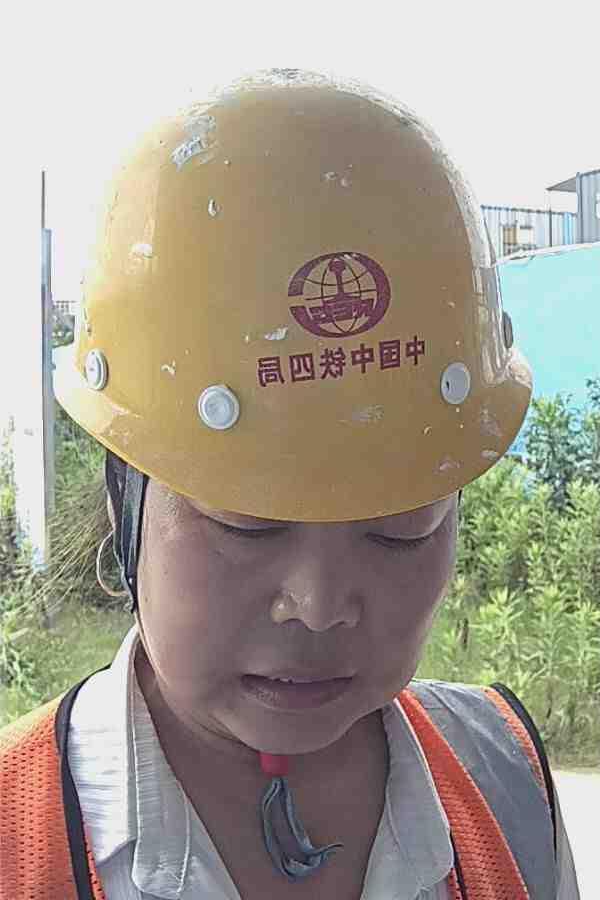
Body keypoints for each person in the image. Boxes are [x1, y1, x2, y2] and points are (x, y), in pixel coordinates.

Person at [0, 70, 580, 899]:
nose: (319, 604)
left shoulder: (509, 787)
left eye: (401, 529)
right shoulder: (16, 832)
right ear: (128, 498)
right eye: (248, 525)